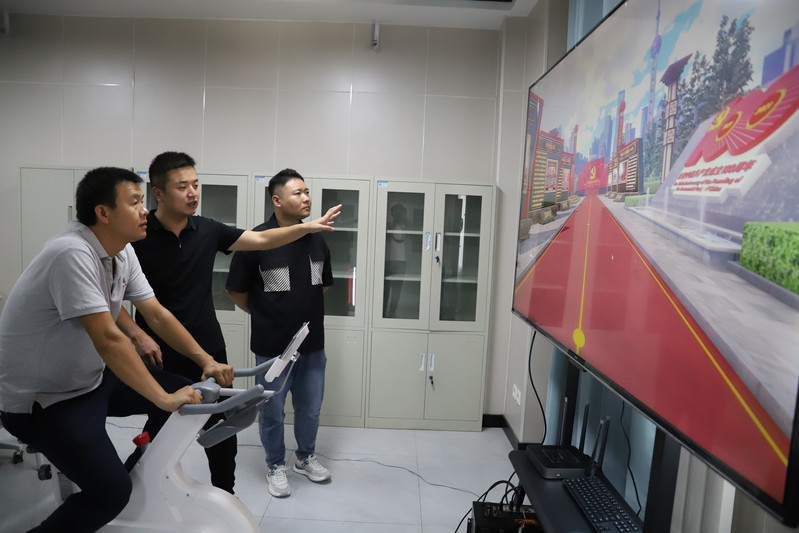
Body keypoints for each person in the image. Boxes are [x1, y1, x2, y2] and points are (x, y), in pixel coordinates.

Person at [0, 167, 234, 533]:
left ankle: (135, 479)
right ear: (103, 212)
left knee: (188, 397)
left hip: (90, 379)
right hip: (45, 402)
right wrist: (162, 398)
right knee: (110, 493)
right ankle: (115, 491)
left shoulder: (122, 253)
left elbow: (156, 314)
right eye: (136, 202)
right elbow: (108, 339)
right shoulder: (71, 252)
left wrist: (205, 360)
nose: (145, 211)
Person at [126, 152, 340, 494]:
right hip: (158, 351)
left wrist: (309, 227)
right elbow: (111, 296)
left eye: (196, 184)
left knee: (223, 433)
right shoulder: (137, 234)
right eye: (182, 186)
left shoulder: (208, 229)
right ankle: (133, 490)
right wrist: (136, 334)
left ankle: (226, 495)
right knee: (160, 426)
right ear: (158, 193)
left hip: (209, 348)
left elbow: (261, 240)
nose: (193, 192)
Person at [225, 169, 333, 498]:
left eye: (307, 191)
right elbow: (235, 291)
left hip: (312, 346)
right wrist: (267, 315)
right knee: (272, 410)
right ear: (277, 200)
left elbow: (323, 285)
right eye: (298, 193)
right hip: (272, 347)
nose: (307, 198)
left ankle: (304, 457)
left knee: (310, 408)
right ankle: (275, 464)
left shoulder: (317, 238)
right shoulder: (257, 240)